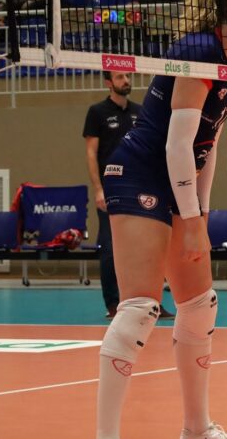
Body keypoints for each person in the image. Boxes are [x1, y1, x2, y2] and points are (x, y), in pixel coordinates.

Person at [97, 0, 227, 439]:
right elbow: (177, 145)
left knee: (199, 306)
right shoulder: (199, 50)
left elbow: (207, 144)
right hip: (139, 172)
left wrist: (202, 212)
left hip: (176, 178)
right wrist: (192, 219)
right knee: (139, 309)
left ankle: (197, 428)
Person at [83, 72, 159, 320]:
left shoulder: (139, 111)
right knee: (110, 247)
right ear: (108, 83)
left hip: (138, 188)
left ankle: (150, 302)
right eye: (119, 77)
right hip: (111, 189)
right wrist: (98, 189)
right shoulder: (97, 112)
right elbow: (91, 154)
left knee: (147, 247)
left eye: (127, 76)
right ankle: (114, 304)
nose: (126, 80)